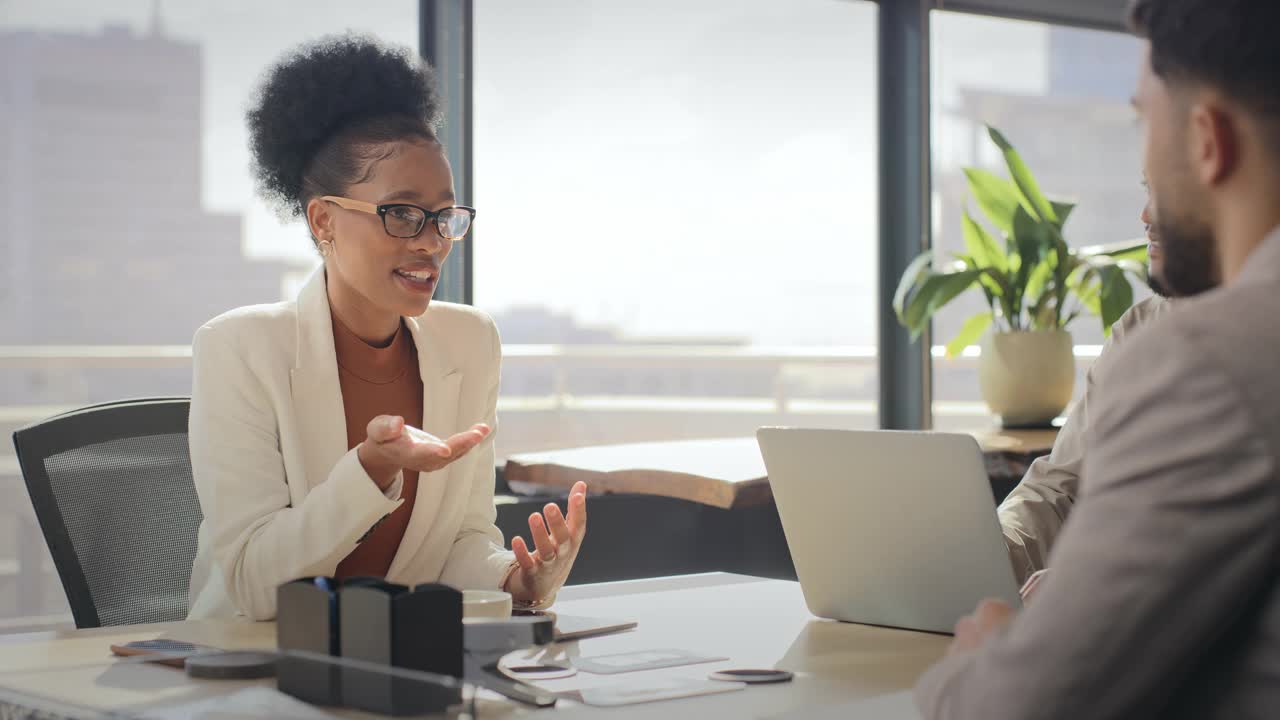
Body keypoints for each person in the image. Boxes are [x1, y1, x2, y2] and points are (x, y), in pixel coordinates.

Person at [916, 0, 1280, 716]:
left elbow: (1018, 708)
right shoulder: (1169, 336)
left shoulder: (1209, 359)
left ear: (1208, 140)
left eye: (1145, 120)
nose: (1144, 198)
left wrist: (982, 660)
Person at [185, 35, 587, 621]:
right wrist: (371, 470)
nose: (430, 241)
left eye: (444, 216)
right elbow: (253, 584)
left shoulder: (470, 343)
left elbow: (457, 543)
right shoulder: (240, 349)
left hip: (396, 664)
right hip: (253, 671)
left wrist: (515, 579)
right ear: (324, 220)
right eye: (402, 213)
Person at [999, 190, 1171, 586]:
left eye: (1167, 187)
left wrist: (1088, 586)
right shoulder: (1137, 331)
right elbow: (1062, 487)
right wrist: (993, 548)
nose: (1145, 215)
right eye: (1147, 188)